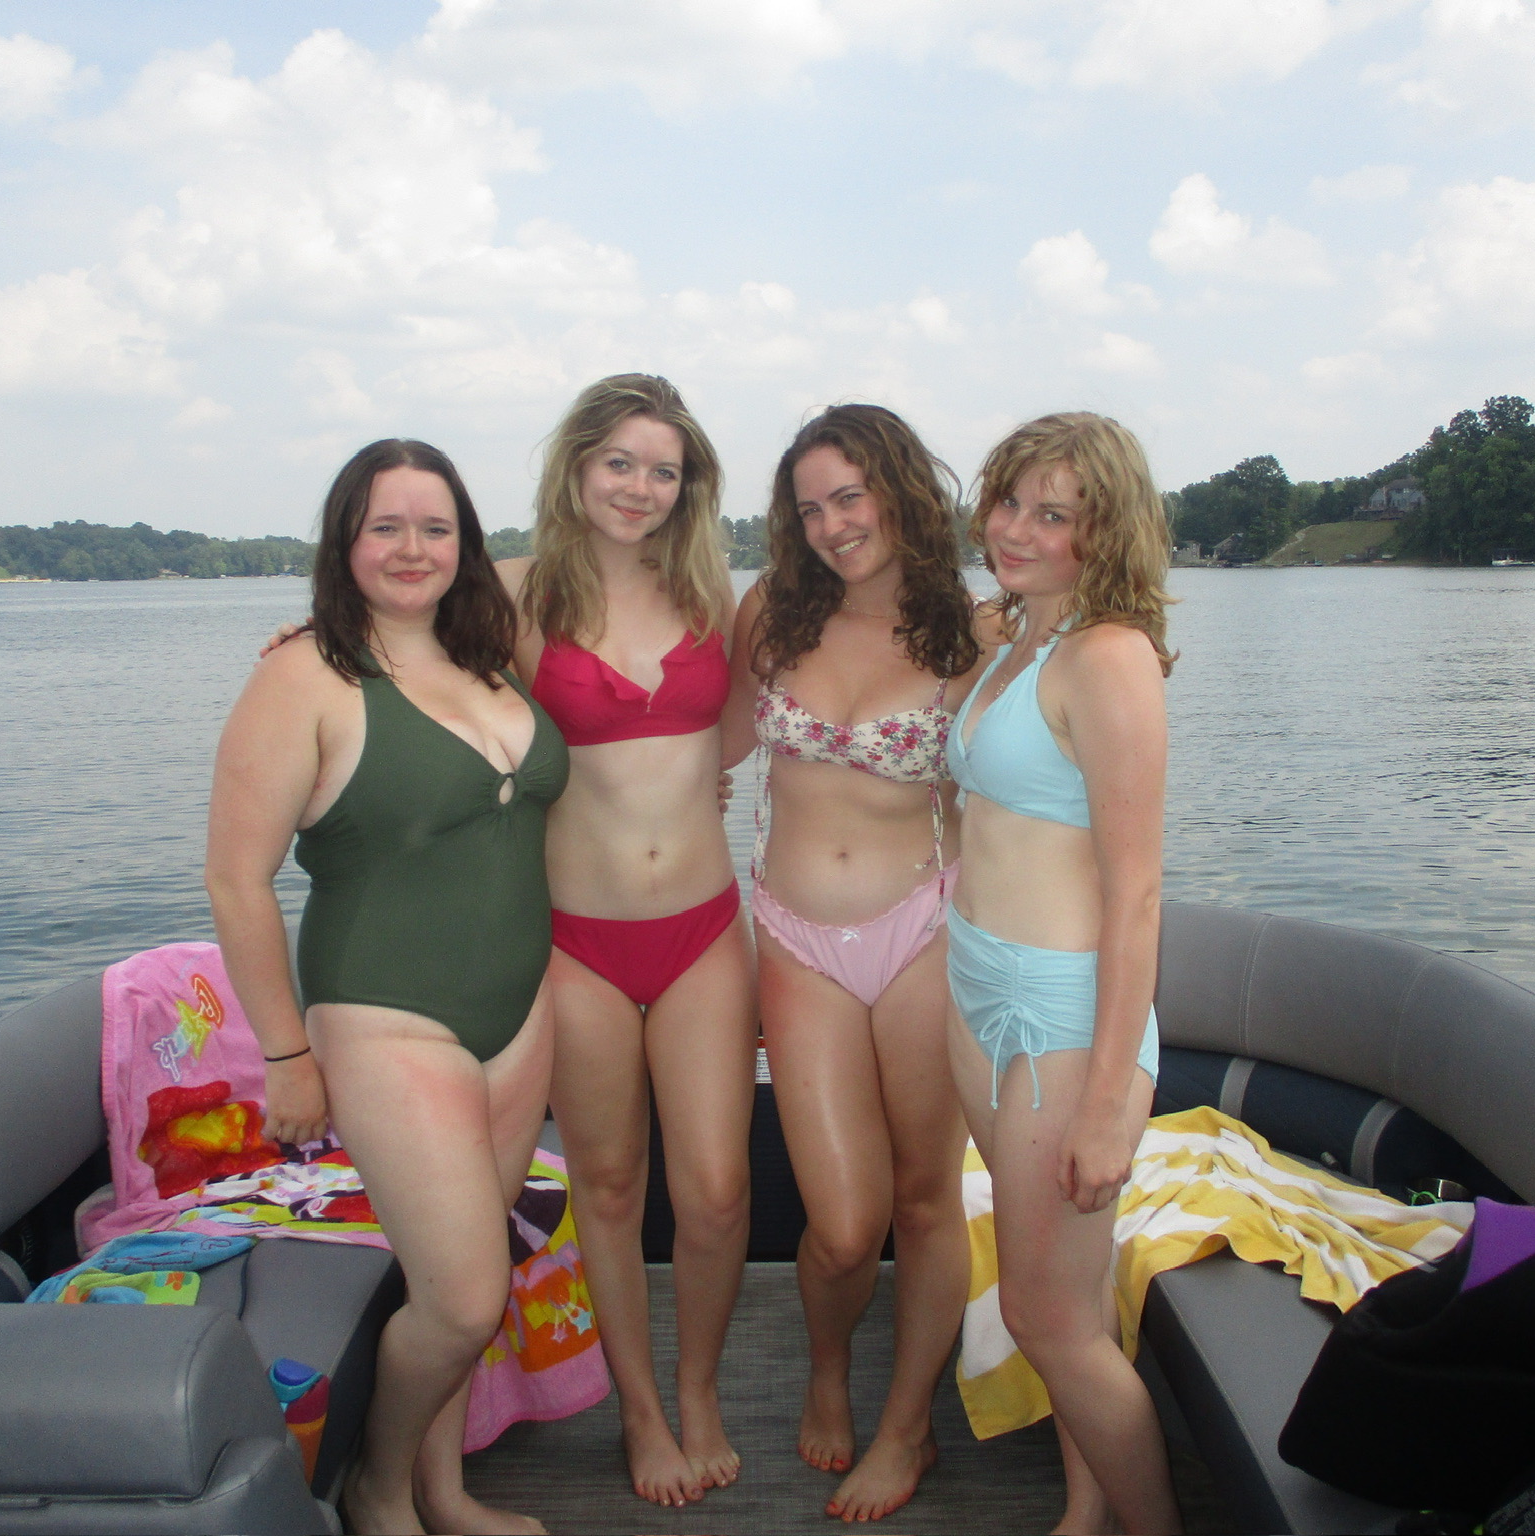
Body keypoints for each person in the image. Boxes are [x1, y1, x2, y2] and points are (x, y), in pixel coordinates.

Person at [206, 439, 564, 1536]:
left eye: (435, 527)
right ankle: (376, 1483)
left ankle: (444, 1491)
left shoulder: (491, 651)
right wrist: (284, 1055)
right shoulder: (302, 674)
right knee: (462, 1298)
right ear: (343, 543)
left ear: (467, 542)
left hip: (519, 1008)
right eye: (384, 527)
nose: (411, 549)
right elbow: (235, 878)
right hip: (384, 1014)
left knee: (463, 1269)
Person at [722, 403, 984, 1523]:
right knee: (839, 1222)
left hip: (922, 925)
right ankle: (828, 1364)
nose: (832, 525)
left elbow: (1025, 768)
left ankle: (907, 1423)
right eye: (809, 505)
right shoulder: (769, 618)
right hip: (793, 931)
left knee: (924, 1203)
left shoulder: (969, 632)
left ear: (898, 491)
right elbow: (694, 740)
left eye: (850, 495)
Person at [499, 374, 756, 1510]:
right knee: (605, 1184)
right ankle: (641, 1412)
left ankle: (696, 1388)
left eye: (663, 469)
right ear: (576, 468)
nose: (640, 488)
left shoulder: (718, 597)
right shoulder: (510, 598)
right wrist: (310, 633)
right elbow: (385, 649)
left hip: (702, 930)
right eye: (620, 463)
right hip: (574, 941)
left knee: (711, 1188)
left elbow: (774, 713)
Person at [944, 412, 1182, 1535]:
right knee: (1075, 1290)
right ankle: (1084, 1508)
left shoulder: (1108, 656)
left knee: (1049, 1319)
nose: (1018, 529)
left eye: (1054, 514)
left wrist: (1108, 1098)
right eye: (1008, 503)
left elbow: (1134, 892)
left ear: (1105, 531)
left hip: (1059, 1015)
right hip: (975, 985)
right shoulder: (1017, 641)